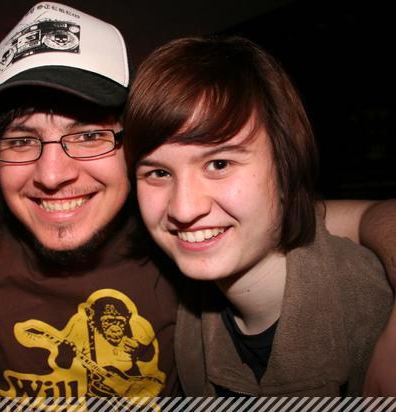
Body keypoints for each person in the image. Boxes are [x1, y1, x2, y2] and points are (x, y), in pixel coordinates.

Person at [0, 1, 395, 397]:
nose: (52, 174)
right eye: (22, 140)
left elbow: (355, 216)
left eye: (90, 134)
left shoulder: (181, 241)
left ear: (138, 145)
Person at [123, 35, 393, 395]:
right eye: (159, 172)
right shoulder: (189, 326)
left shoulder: (371, 317)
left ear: (285, 166)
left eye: (219, 164)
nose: (184, 209)